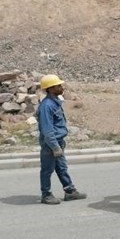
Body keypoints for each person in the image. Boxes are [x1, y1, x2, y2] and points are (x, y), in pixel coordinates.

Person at [37, 74, 87, 205]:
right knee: (47, 169)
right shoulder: (47, 106)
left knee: (62, 167)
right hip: (50, 144)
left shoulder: (55, 102)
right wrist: (55, 147)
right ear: (51, 88)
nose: (61, 87)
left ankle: (70, 191)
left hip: (58, 142)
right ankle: (46, 194)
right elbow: (47, 130)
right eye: (58, 85)